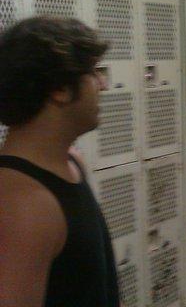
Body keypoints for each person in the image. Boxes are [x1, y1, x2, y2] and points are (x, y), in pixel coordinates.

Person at [0, 16, 119, 307]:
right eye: (92, 72)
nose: (103, 84)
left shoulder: (72, 163)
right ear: (60, 88)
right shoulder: (22, 204)